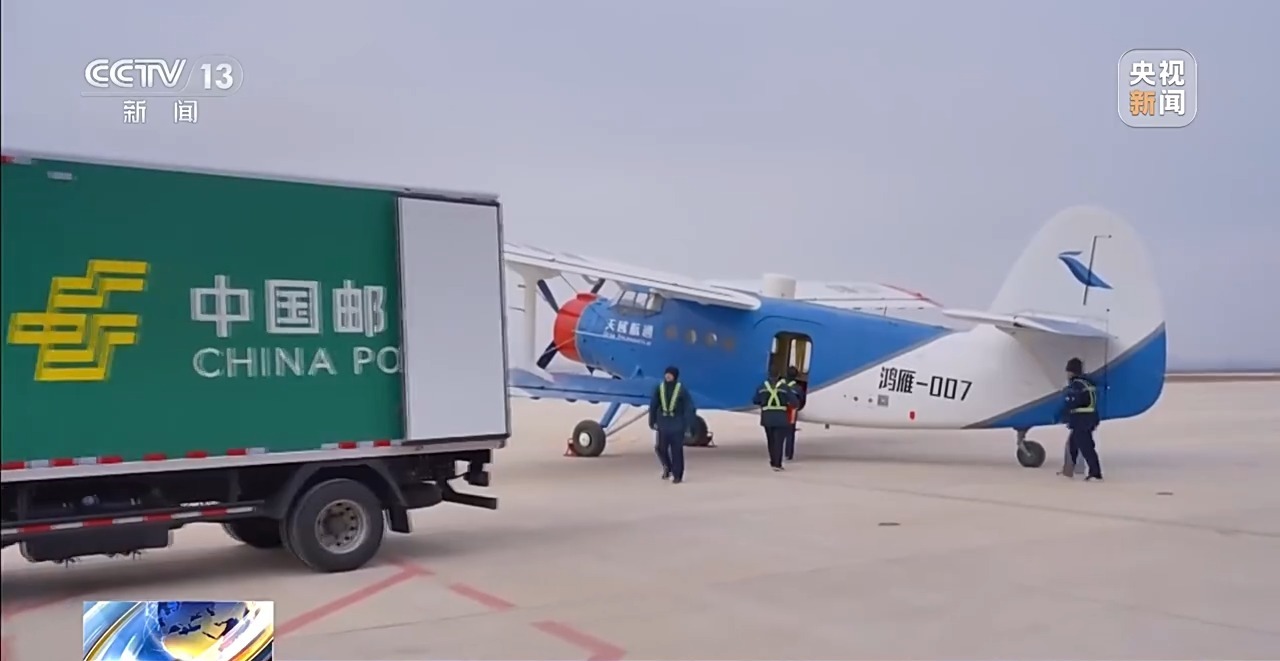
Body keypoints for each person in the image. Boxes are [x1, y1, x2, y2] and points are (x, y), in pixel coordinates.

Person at [1059, 357, 1103, 481]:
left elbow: (1073, 402)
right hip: (1089, 418)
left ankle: (1095, 473)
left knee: (1086, 446)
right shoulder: (1088, 383)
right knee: (1072, 445)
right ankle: (1068, 470)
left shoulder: (1077, 386)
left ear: (1072, 372)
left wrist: (1064, 412)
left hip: (1081, 420)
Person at [649, 366, 694, 484]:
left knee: (676, 451)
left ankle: (677, 475)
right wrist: (652, 421)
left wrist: (688, 425)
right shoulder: (660, 388)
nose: (667, 376)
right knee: (660, 448)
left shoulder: (681, 389)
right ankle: (667, 466)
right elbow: (653, 405)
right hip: (663, 423)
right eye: (666, 374)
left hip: (677, 424)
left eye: (670, 374)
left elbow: (689, 407)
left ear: (675, 376)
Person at [754, 372, 798, 471]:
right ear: (778, 376)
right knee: (779, 441)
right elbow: (795, 402)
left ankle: (773, 461)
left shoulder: (761, 387)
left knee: (771, 441)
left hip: (767, 417)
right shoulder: (785, 388)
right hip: (781, 417)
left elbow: (755, 400)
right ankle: (777, 464)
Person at [782, 366, 806, 462]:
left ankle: (776, 452)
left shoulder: (780, 385)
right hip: (791, 412)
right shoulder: (797, 388)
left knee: (778, 434)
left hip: (780, 410)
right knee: (790, 434)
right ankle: (788, 454)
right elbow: (802, 399)